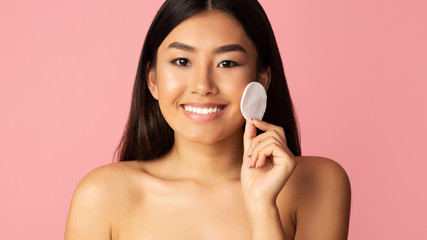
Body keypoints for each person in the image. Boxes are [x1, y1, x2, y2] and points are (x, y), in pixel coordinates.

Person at [65, 0, 351, 239]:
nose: (203, 85)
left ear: (261, 79)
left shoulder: (317, 183)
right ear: (152, 80)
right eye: (182, 61)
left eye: (227, 63)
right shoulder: (101, 196)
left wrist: (263, 207)